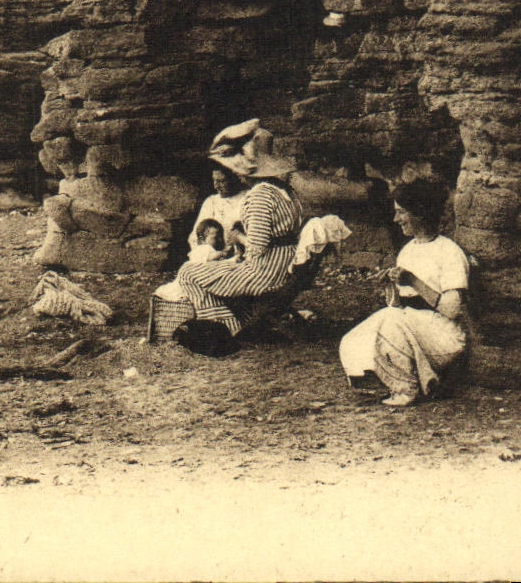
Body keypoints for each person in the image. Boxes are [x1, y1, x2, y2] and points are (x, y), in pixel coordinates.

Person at [172, 119, 306, 344]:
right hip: (283, 264)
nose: (237, 175)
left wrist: (237, 238)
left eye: (236, 169)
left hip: (266, 272)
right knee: (209, 269)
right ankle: (240, 323)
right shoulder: (285, 191)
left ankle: (228, 329)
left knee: (188, 273)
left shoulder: (260, 195)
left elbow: (258, 248)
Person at [339, 180, 470, 407]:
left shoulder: (448, 251)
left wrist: (412, 280)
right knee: (358, 335)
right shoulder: (408, 251)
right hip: (413, 330)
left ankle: (407, 387)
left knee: (390, 320)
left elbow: (452, 309)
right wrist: (390, 286)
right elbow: (398, 306)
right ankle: (380, 381)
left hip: (444, 336)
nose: (395, 219)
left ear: (420, 212)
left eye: (401, 212)